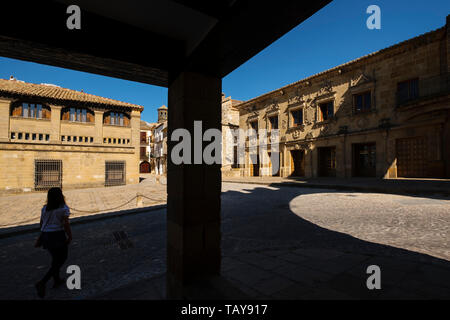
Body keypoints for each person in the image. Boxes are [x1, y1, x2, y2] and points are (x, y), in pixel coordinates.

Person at [34, 187, 72, 298]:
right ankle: (42, 282)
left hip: (46, 235)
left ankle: (57, 280)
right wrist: (69, 236)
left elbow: (41, 223)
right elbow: (66, 224)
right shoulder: (63, 208)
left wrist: (42, 235)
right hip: (57, 235)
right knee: (62, 258)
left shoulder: (44, 208)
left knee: (55, 259)